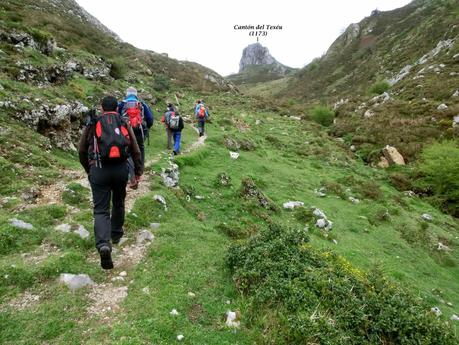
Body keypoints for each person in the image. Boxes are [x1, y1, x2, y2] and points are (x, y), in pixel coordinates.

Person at [78, 96, 143, 270]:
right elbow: (135, 150)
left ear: (101, 107)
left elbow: (82, 150)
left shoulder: (93, 123)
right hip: (120, 170)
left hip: (98, 170)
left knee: (100, 209)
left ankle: (103, 244)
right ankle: (115, 235)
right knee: (119, 202)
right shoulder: (123, 122)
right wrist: (137, 173)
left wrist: (89, 169)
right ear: (117, 107)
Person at [118, 87, 154, 171]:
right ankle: (140, 170)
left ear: (126, 94)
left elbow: (116, 116)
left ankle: (130, 171)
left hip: (125, 131)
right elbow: (150, 119)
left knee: (127, 149)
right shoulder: (142, 104)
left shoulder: (121, 104)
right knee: (140, 147)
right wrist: (147, 127)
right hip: (139, 130)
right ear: (136, 94)